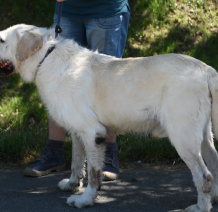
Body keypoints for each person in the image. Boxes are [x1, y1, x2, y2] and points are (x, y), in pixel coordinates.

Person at [23, 0, 130, 181]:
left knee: (106, 82)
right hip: (67, 11)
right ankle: (54, 151)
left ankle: (108, 154)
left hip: (106, 11)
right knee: (56, 77)